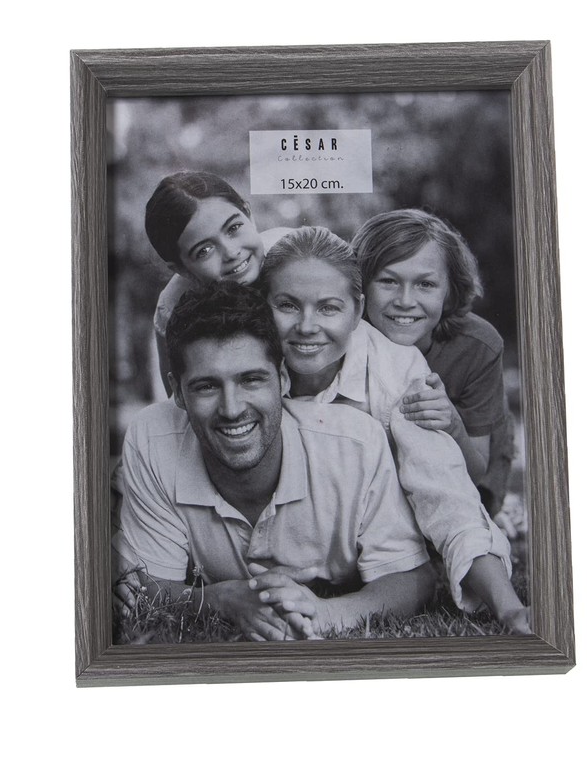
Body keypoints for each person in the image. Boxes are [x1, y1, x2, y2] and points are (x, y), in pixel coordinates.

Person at [113, 281, 434, 641]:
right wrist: (219, 599)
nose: (232, 409)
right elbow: (149, 583)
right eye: (207, 386)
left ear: (281, 379)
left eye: (251, 380)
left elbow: (412, 578)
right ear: (178, 392)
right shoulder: (153, 437)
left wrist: (326, 613)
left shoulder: (356, 443)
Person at [259, 226, 530, 633]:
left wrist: (508, 608)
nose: (307, 326)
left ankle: (501, 517)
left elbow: (447, 492)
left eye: (329, 308)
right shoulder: (247, 362)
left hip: (383, 549)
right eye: (287, 306)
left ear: (357, 310)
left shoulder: (399, 371)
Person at [351, 209, 515, 521]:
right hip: (379, 478)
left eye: (425, 284)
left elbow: (476, 470)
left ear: (449, 292)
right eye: (388, 281)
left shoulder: (477, 346)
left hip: (470, 468)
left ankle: (500, 510)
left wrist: (453, 423)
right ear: (360, 285)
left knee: (472, 512)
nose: (405, 300)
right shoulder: (344, 338)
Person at [144, 170, 292, 393]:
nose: (231, 252)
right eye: (204, 251)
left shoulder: (297, 256)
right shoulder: (173, 308)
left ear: (249, 215)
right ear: (182, 269)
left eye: (233, 228)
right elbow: (180, 399)